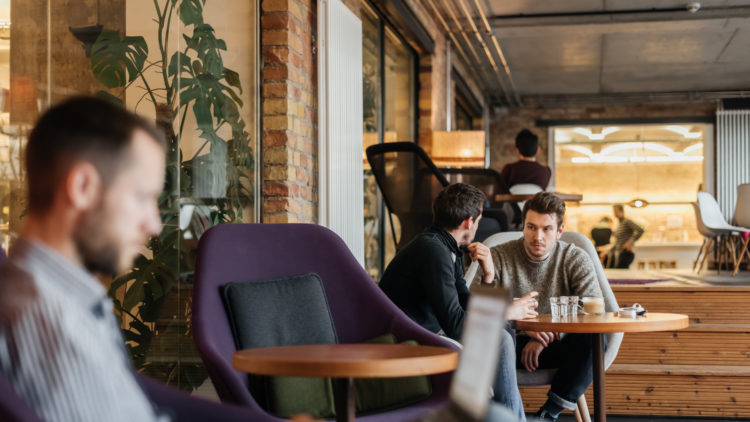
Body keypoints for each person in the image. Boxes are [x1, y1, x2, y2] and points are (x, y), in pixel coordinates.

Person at [0, 97, 297, 422]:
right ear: (82, 187)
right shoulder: (50, 320)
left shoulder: (63, 295)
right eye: (141, 197)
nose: (154, 225)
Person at [379, 183, 539, 421]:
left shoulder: (446, 247)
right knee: (501, 336)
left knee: (501, 334)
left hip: (425, 331)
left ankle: (504, 415)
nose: (478, 226)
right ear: (468, 222)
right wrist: (506, 311)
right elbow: (455, 324)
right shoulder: (433, 251)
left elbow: (464, 301)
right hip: (406, 339)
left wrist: (488, 277)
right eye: (479, 220)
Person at [472, 192, 603, 422]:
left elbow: (593, 311)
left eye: (546, 229)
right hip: (507, 346)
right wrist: (522, 328)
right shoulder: (499, 256)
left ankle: (548, 413)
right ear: (522, 226)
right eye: (531, 227)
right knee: (493, 337)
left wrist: (548, 335)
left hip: (556, 346)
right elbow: (473, 309)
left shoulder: (574, 258)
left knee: (595, 339)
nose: (537, 236)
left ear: (560, 231)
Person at [601, 204, 644, 269]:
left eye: (616, 211)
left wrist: (630, 242)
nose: (614, 213)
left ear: (621, 211)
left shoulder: (627, 221)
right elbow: (617, 242)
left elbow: (640, 230)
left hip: (625, 253)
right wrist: (607, 251)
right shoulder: (619, 224)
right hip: (617, 253)